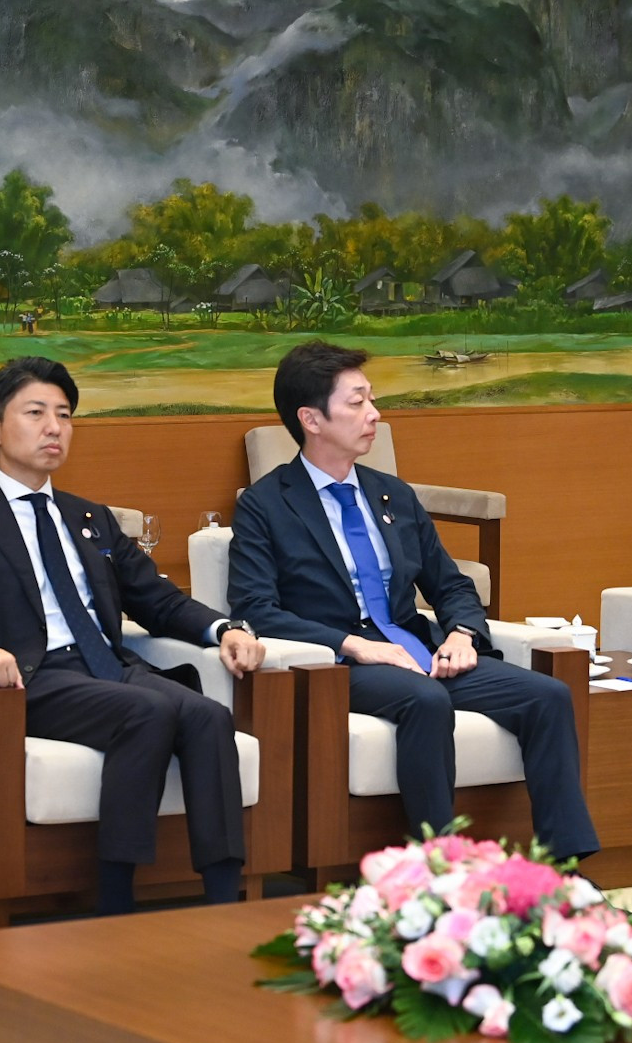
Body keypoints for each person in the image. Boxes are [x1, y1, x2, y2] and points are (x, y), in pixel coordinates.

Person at [0, 356, 265, 914]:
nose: (54, 428)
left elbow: (157, 600)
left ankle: (222, 897)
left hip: (108, 670)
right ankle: (114, 899)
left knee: (207, 713)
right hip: (36, 678)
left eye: (64, 416)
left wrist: (224, 628)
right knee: (147, 712)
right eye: (36, 413)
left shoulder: (90, 517)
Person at [227, 341, 600, 862]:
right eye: (356, 403)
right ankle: (439, 869)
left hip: (416, 648)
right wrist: (354, 645)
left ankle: (565, 868)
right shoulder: (266, 505)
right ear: (311, 418)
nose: (374, 414)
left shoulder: (391, 494)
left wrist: (462, 635)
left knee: (548, 696)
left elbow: (450, 585)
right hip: (341, 663)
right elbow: (255, 608)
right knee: (425, 701)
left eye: (371, 399)